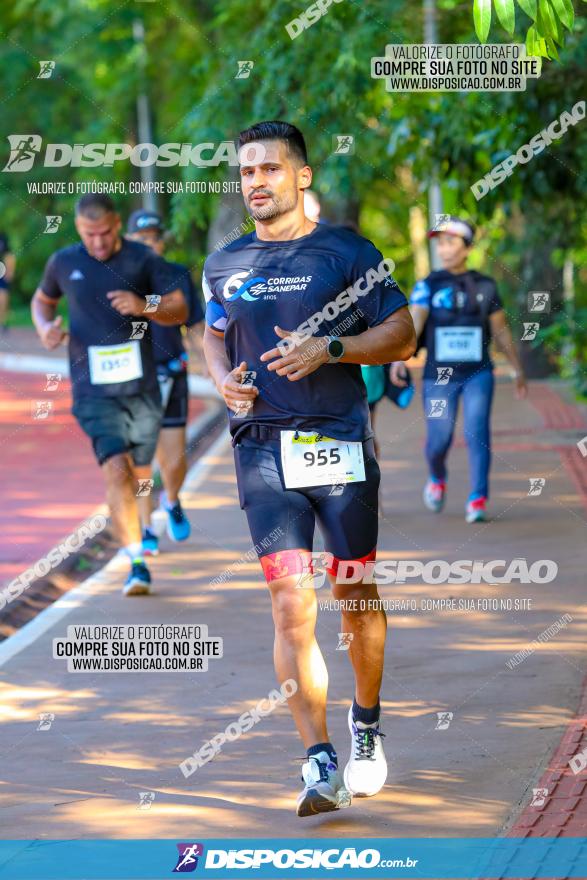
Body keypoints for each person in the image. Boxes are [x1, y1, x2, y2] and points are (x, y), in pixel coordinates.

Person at [202, 120, 416, 816]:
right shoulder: (225, 263)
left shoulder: (346, 252)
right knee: (290, 602)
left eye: (269, 169)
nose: (255, 182)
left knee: (353, 592)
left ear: (301, 177)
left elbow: (401, 332)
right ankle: (317, 761)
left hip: (338, 444)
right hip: (261, 445)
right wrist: (220, 382)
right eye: (245, 172)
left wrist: (332, 347)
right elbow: (210, 333)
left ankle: (367, 724)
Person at [31, 194, 188, 595]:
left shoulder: (142, 259)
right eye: (88, 235)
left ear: (117, 225)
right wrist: (44, 327)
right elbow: (42, 301)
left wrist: (143, 304)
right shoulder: (64, 262)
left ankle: (149, 520)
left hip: (141, 390)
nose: (97, 243)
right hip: (92, 390)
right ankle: (136, 561)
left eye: (103, 234)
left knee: (140, 475)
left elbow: (179, 308)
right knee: (116, 468)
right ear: (78, 228)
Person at [390, 215, 527, 523]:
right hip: (439, 375)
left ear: (467, 248)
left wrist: (518, 369)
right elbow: (416, 319)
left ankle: (478, 497)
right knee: (440, 437)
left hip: (478, 372)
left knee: (478, 431)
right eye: (440, 242)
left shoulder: (486, 286)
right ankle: (437, 477)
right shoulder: (428, 285)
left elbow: (502, 332)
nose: (444, 248)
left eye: (451, 241)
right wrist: (399, 358)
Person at [125, 210, 205, 555]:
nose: (150, 244)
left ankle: (171, 499)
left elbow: (199, 325)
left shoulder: (176, 275)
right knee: (140, 461)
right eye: (142, 239)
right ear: (128, 240)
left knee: (173, 463)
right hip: (133, 380)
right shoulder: (117, 277)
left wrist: (214, 365)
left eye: (155, 238)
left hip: (173, 372)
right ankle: (144, 527)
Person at [0, 233, 16, 333]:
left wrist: (9, 272)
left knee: (3, 301)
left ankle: (3, 322)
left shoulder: (8, 255)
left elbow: (9, 255)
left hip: (2, 278)